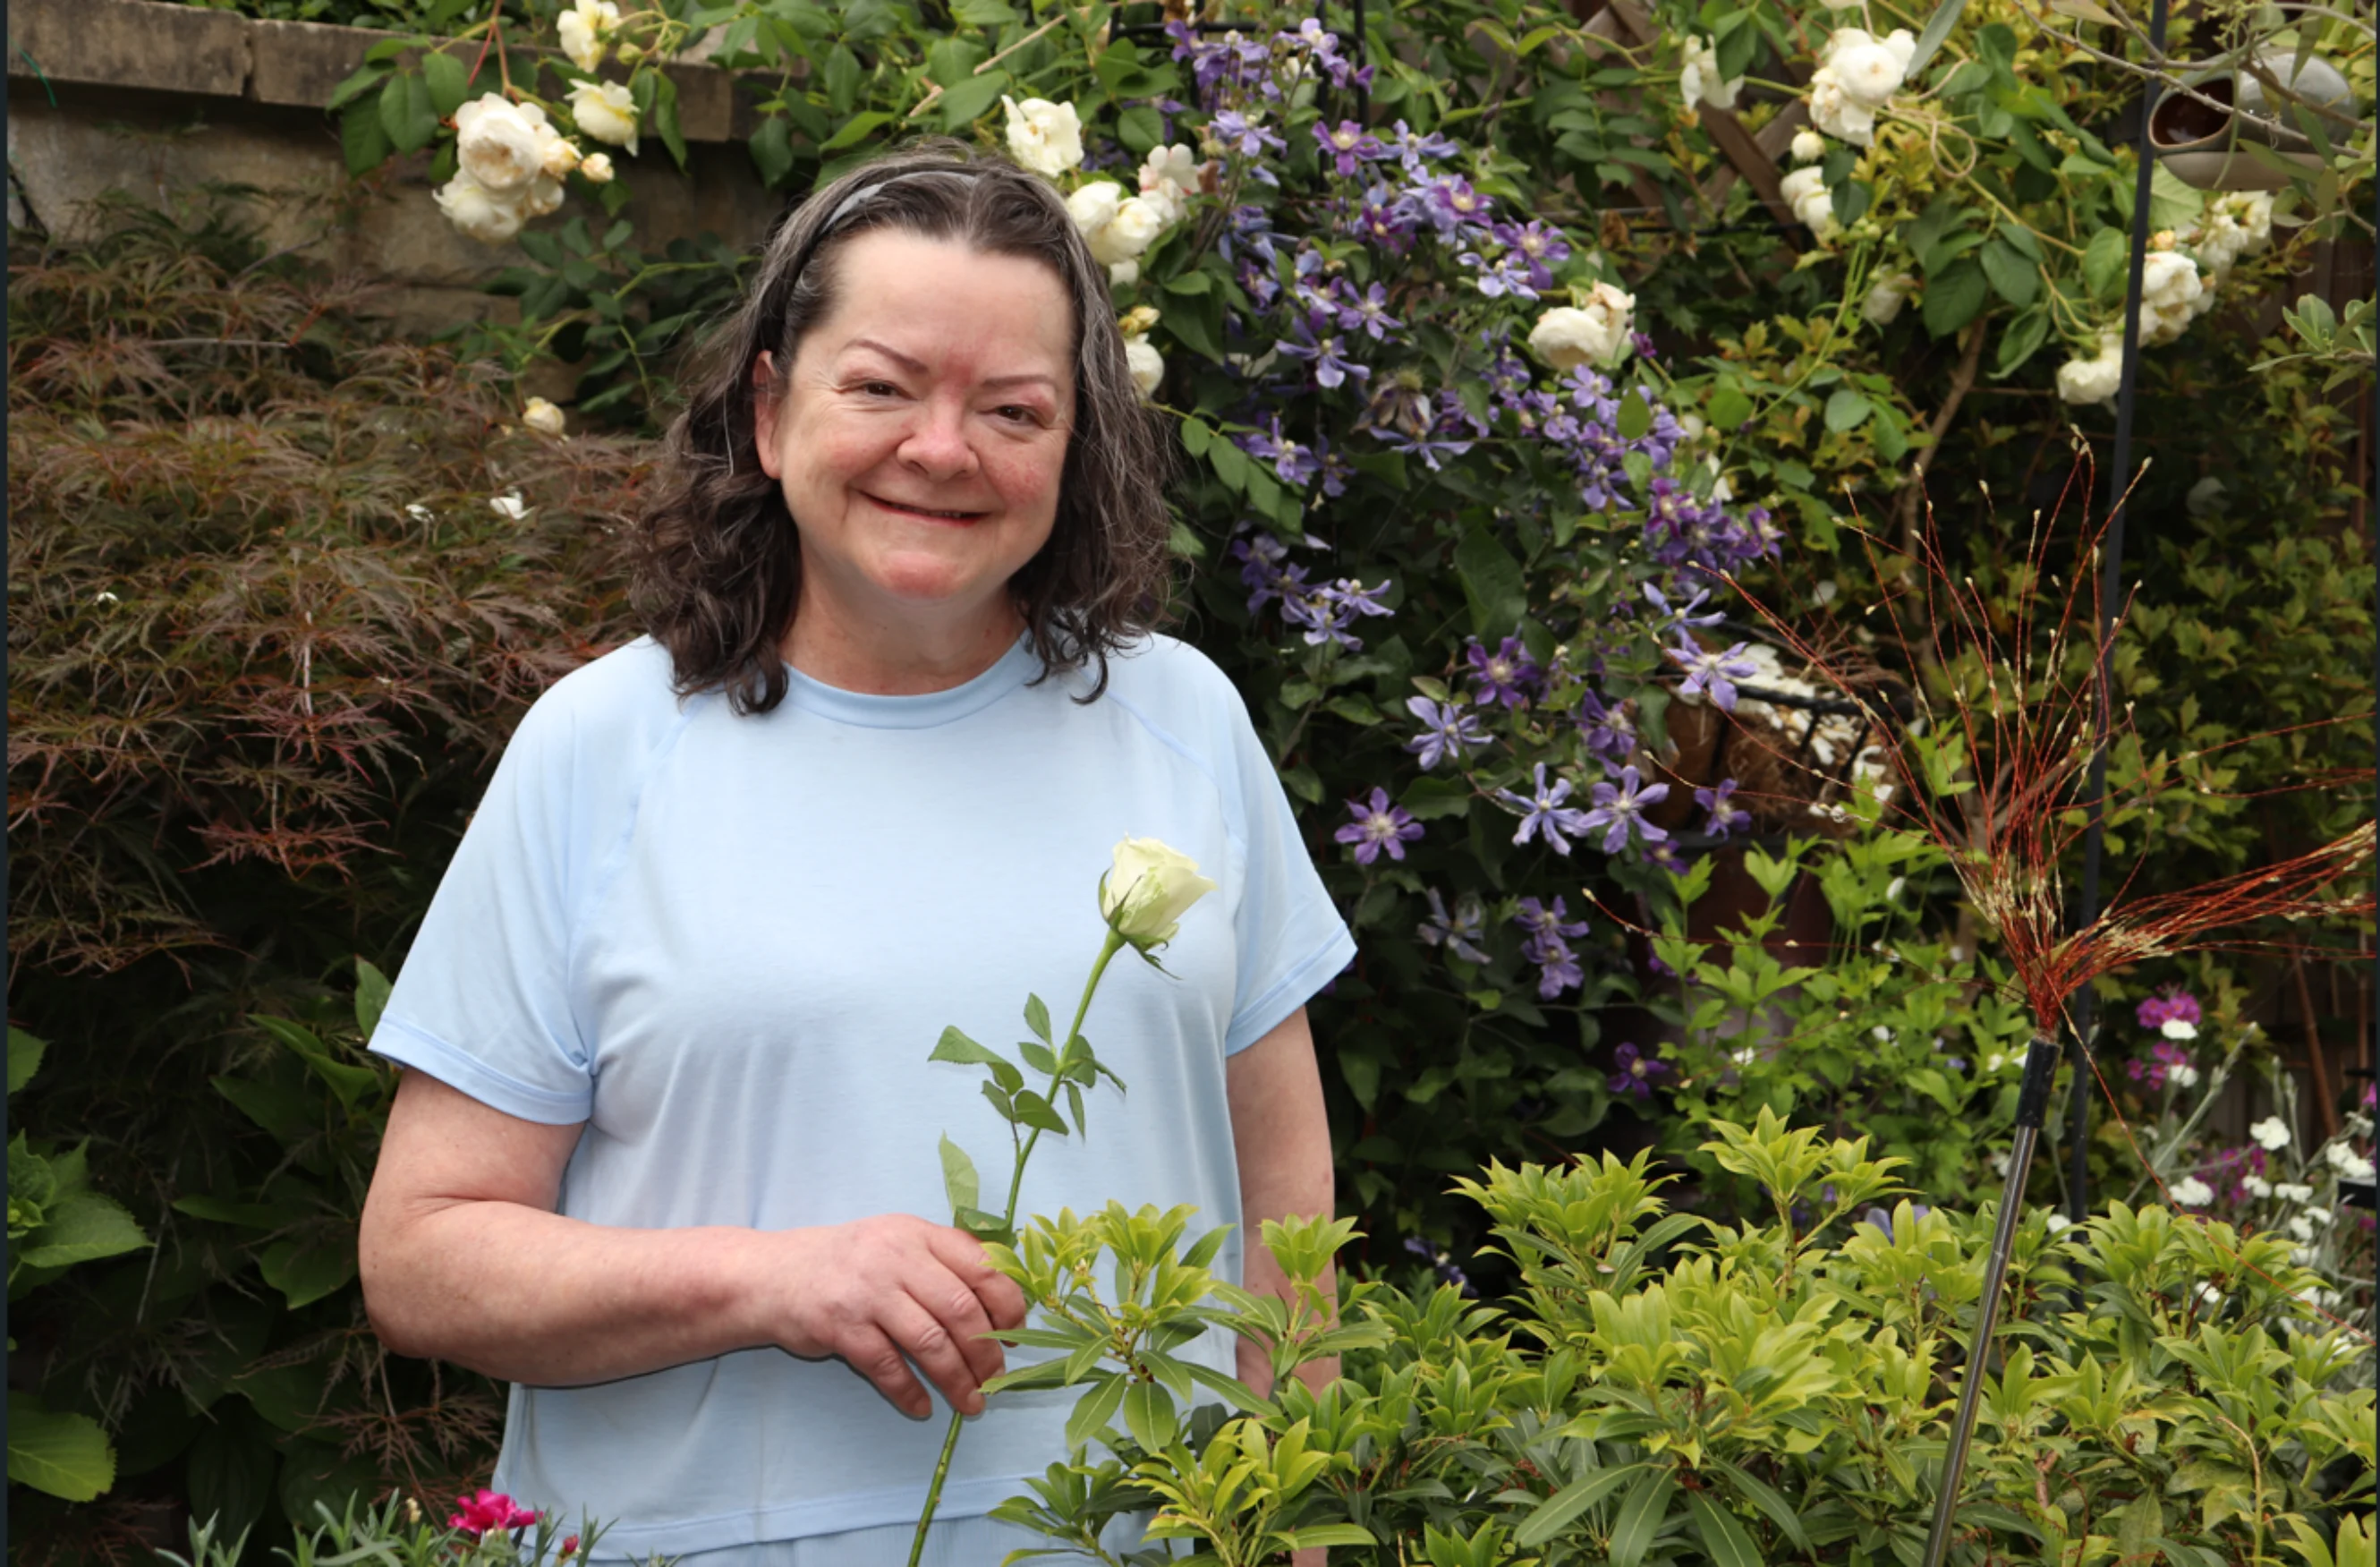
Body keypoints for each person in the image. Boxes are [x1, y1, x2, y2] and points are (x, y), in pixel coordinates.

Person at [356, 142, 1355, 1567]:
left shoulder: (1183, 722)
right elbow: (422, 1256)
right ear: (770, 411)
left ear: (1075, 448)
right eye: (879, 386)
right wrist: (773, 1279)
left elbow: (1284, 1201)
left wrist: (1290, 1531)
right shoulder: (604, 748)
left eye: (1014, 408)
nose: (940, 450)